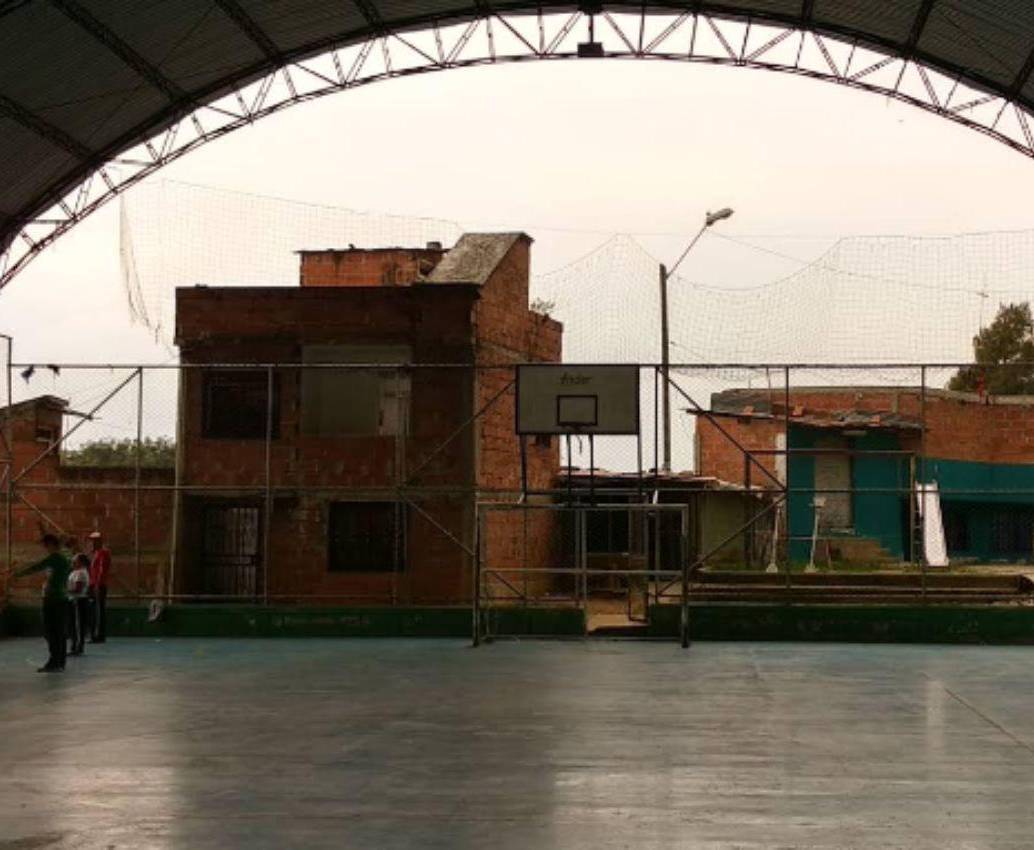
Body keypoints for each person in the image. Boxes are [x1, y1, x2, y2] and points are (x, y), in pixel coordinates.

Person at [13, 534, 71, 672]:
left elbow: (36, 566)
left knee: (52, 632)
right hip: (59, 598)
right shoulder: (63, 558)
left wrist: (16, 574)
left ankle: (54, 662)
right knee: (58, 632)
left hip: (53, 599)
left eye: (45, 545)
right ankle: (59, 662)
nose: (44, 548)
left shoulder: (56, 558)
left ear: (50, 544)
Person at [88, 531, 111, 643]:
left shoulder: (103, 553)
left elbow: (102, 570)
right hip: (94, 584)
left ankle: (98, 635)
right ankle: (96, 634)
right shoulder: (96, 553)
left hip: (98, 585)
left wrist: (97, 584)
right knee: (95, 610)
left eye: (94, 541)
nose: (92, 543)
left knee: (98, 611)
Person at [67, 553, 91, 656]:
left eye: (75, 561)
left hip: (79, 600)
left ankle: (78, 647)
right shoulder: (75, 572)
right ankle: (74, 646)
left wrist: (65, 590)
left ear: (81, 562)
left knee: (78, 625)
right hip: (75, 600)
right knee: (74, 624)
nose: (72, 562)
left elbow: (78, 589)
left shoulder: (80, 573)